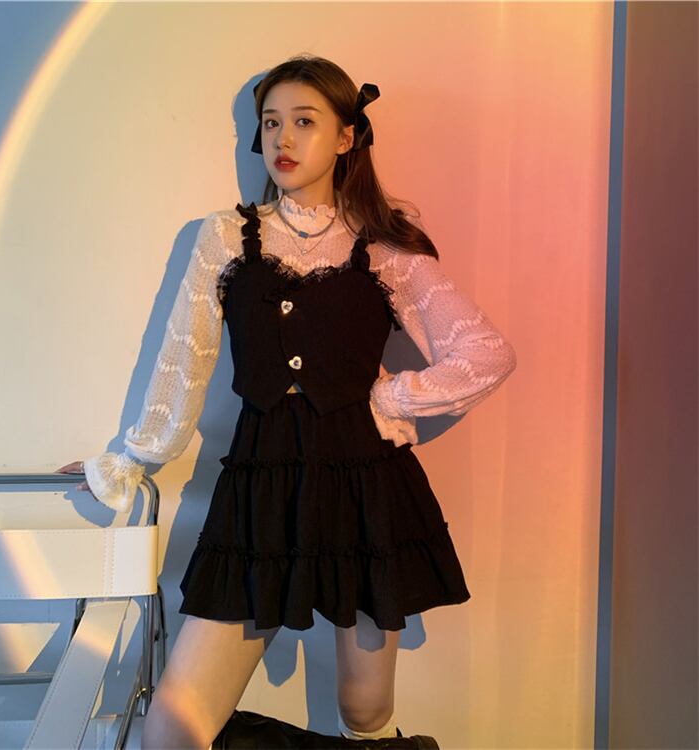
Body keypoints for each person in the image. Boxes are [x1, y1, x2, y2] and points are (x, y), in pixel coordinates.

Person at [58, 54, 517, 750]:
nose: (283, 139)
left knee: (366, 714)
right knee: (173, 729)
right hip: (262, 484)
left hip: (366, 486)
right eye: (271, 123)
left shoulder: (384, 245)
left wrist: (391, 398)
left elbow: (486, 353)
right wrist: (131, 458)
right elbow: (184, 360)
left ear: (345, 137)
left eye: (305, 121)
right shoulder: (225, 237)